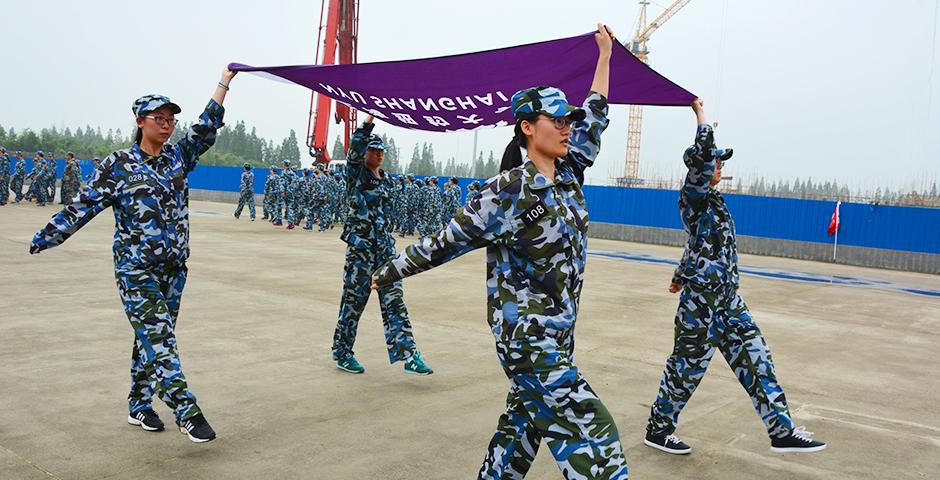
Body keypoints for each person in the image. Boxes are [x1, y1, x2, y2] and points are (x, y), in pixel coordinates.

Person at [372, 24, 627, 479]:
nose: (568, 128)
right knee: (595, 437)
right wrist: (388, 271)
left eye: (568, 121)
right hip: (528, 340)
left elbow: (597, 113)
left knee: (518, 436)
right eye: (557, 121)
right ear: (528, 128)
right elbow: (445, 242)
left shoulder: (568, 174)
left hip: (559, 334)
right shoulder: (506, 192)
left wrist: (604, 55)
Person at [29, 68, 238, 443]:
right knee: (160, 339)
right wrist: (47, 237)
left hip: (174, 270)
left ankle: (139, 404)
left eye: (172, 119)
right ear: (140, 121)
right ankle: (186, 410)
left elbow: (206, 127)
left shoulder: (178, 157)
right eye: (159, 118)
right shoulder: (118, 165)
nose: (168, 124)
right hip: (135, 269)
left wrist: (224, 83)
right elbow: (82, 206)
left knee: (153, 338)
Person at [643, 98, 827, 456]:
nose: (719, 166)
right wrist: (700, 116)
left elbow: (701, 245)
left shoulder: (715, 202)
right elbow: (701, 159)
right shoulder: (693, 197)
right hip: (700, 308)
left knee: (758, 359)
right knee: (685, 372)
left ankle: (781, 430)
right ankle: (658, 429)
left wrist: (681, 272)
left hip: (728, 302)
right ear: (699, 165)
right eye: (714, 161)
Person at [331, 115, 432, 376]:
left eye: (381, 151)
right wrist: (367, 123)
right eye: (373, 150)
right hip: (361, 252)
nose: (378, 155)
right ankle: (342, 352)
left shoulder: (386, 181)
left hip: (385, 252)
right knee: (353, 303)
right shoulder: (356, 176)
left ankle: (409, 355)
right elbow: (353, 152)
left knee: (395, 301)